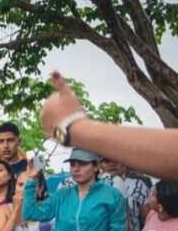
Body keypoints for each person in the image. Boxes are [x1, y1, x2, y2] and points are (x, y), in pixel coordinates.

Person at [39, 71, 178, 181]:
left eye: (81, 163)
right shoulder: (65, 187)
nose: (76, 169)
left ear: (94, 166)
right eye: (73, 163)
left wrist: (72, 128)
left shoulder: (125, 187)